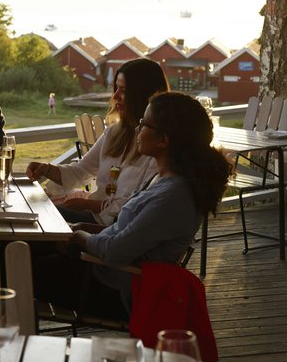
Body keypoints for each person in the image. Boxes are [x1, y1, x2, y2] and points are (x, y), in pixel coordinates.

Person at [34, 92, 232, 320]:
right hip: (103, 272)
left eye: (144, 123)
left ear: (163, 140)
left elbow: (115, 250)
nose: (138, 129)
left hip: (113, 289)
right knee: (21, 244)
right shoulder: (163, 180)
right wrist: (82, 227)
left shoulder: (173, 197)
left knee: (11, 259)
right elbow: (124, 232)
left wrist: (79, 235)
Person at [27, 58, 170, 225]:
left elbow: (140, 205)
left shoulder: (157, 146)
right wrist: (47, 169)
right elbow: (81, 171)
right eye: (116, 89)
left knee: (41, 215)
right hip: (92, 218)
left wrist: (90, 205)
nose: (116, 96)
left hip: (112, 228)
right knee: (35, 210)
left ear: (145, 95)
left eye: (123, 90)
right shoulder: (114, 133)